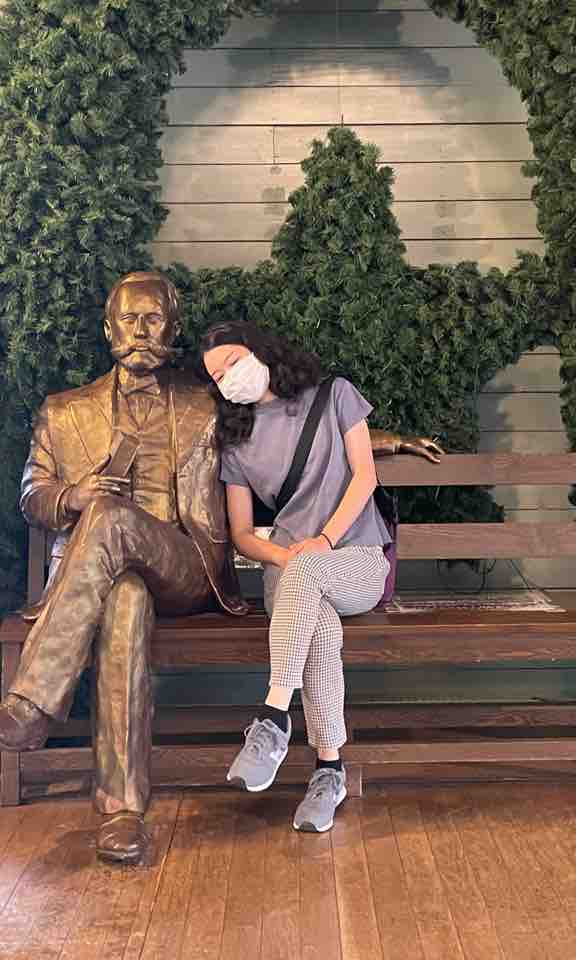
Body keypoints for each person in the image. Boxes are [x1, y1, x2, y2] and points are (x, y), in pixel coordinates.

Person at [0, 271, 440, 865]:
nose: (140, 330)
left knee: (110, 518)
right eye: (129, 319)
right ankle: (123, 814)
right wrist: (72, 496)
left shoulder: (204, 406)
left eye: (153, 319)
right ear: (108, 329)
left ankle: (32, 707)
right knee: (124, 594)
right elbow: (32, 497)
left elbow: (299, 416)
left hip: (186, 565)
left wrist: (389, 439)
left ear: (172, 329)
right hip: (108, 577)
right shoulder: (64, 412)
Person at [200, 321, 441, 833]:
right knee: (322, 632)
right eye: (217, 376)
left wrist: (324, 543)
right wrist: (286, 557)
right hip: (288, 569)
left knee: (310, 572)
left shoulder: (335, 395)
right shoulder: (236, 442)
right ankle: (330, 772)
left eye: (232, 361)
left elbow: (365, 477)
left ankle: (272, 718)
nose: (228, 378)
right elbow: (241, 533)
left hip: (355, 559)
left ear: (259, 350)